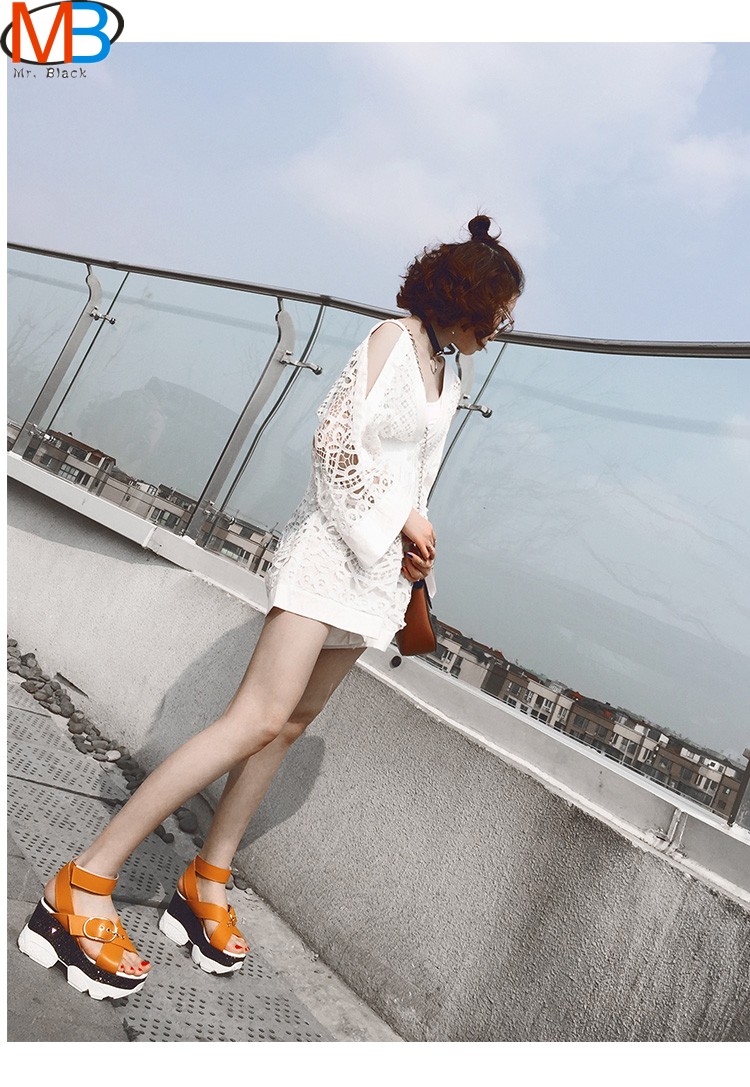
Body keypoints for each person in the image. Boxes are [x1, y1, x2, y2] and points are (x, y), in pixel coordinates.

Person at [17, 214, 524, 999]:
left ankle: (206, 881)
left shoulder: (450, 374)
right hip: (328, 554)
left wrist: (417, 538)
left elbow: (410, 476)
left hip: (376, 576)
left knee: (289, 724)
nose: (504, 326)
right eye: (502, 310)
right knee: (253, 718)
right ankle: (80, 886)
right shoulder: (393, 340)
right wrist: (399, 519)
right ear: (471, 297)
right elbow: (333, 445)